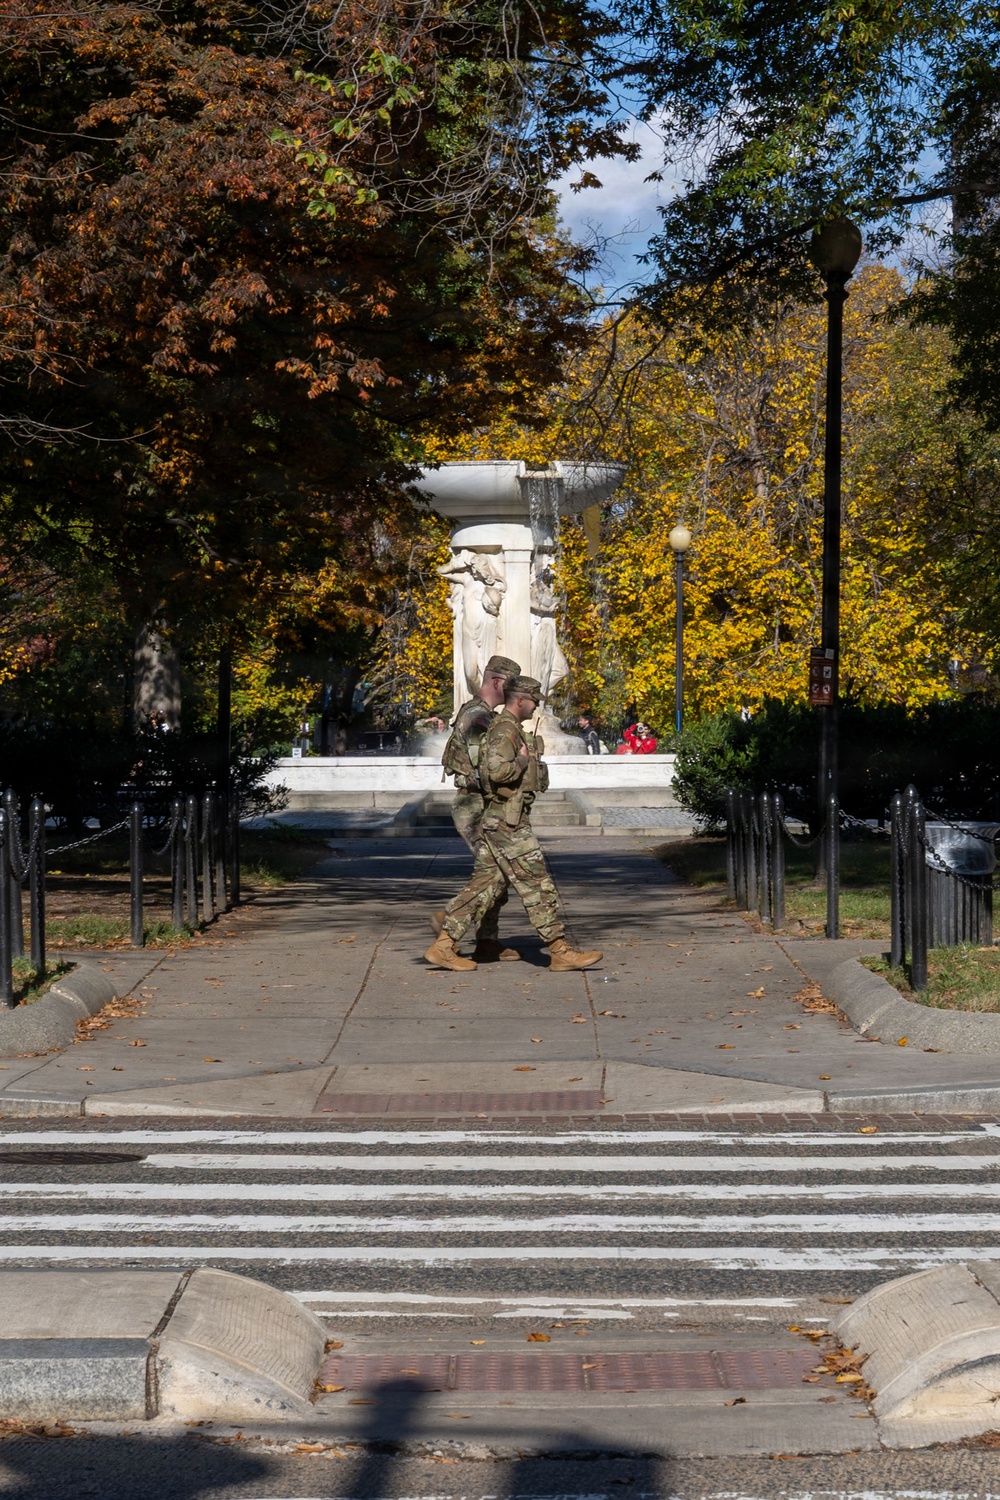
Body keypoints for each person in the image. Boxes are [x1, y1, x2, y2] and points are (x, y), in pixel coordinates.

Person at [424, 676, 603, 973]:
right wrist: (521, 762)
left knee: (486, 886)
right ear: (520, 700)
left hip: (502, 819)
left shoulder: (508, 728)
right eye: (534, 701)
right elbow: (495, 772)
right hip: (508, 823)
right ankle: (559, 951)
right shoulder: (505, 730)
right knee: (538, 885)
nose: (536, 707)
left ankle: (444, 946)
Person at [434, 653, 522, 962]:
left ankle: (487, 942)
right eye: (510, 686)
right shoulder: (478, 717)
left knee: (497, 874)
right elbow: (483, 768)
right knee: (493, 875)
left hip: (482, 805)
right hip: (475, 806)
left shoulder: (482, 714)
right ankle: (447, 926)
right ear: (497, 682)